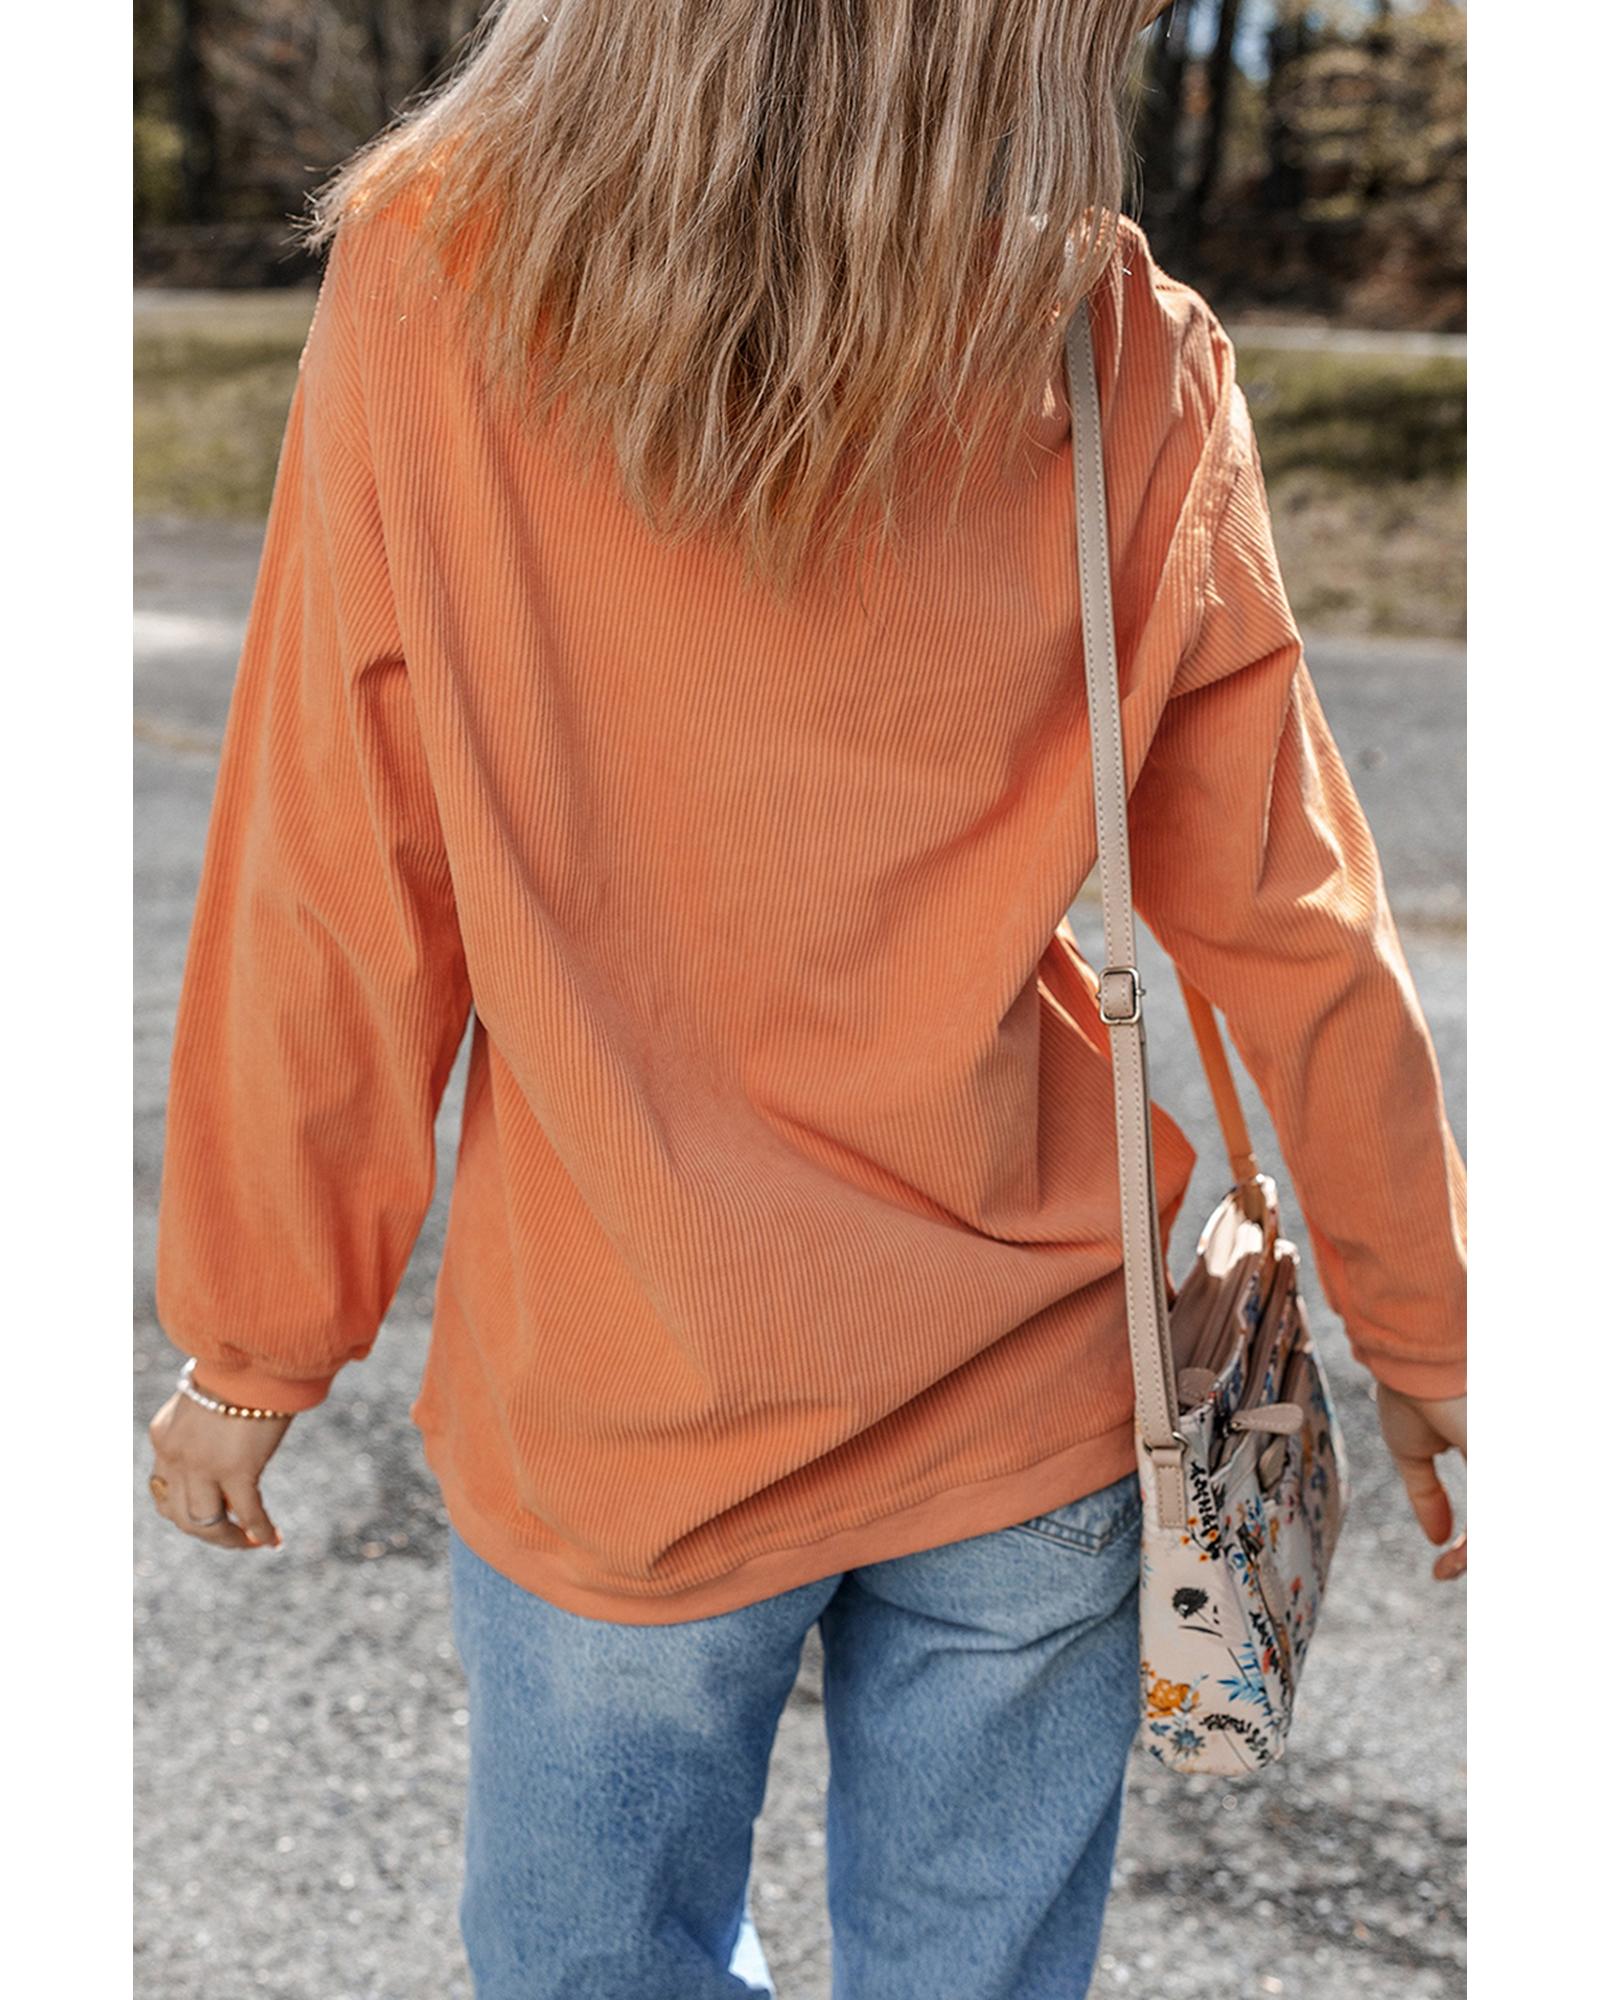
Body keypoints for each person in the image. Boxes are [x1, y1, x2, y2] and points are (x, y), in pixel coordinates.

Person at [143, 3, 1467, 1994]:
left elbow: (338, 872)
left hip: (625, 1400)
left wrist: (258, 1339)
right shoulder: (1115, 343)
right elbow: (1292, 909)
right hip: (1031, 1395)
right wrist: (1428, 1325)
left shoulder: (436, 276)